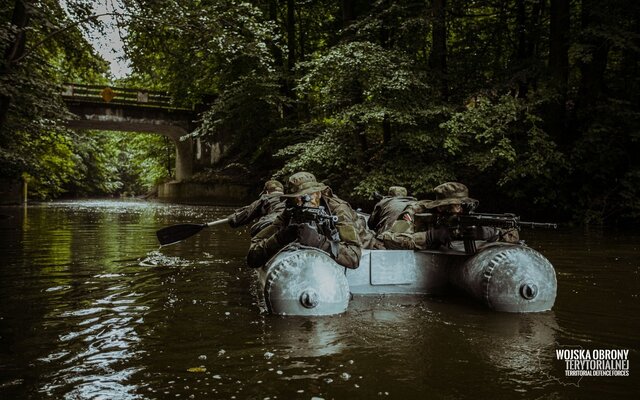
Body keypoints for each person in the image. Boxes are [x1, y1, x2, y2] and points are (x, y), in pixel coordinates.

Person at [246, 172, 362, 269]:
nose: (306, 202)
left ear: (319, 193)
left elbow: (354, 258)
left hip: (365, 242)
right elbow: (253, 257)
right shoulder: (291, 212)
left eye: (310, 195)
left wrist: (319, 242)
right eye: (299, 198)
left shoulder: (338, 210)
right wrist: (281, 238)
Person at [379, 182, 519, 250]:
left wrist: (490, 233)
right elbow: (387, 238)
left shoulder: (466, 215)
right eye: (454, 206)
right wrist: (431, 236)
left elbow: (512, 232)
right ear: (440, 207)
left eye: (461, 205)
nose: (459, 211)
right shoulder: (415, 212)